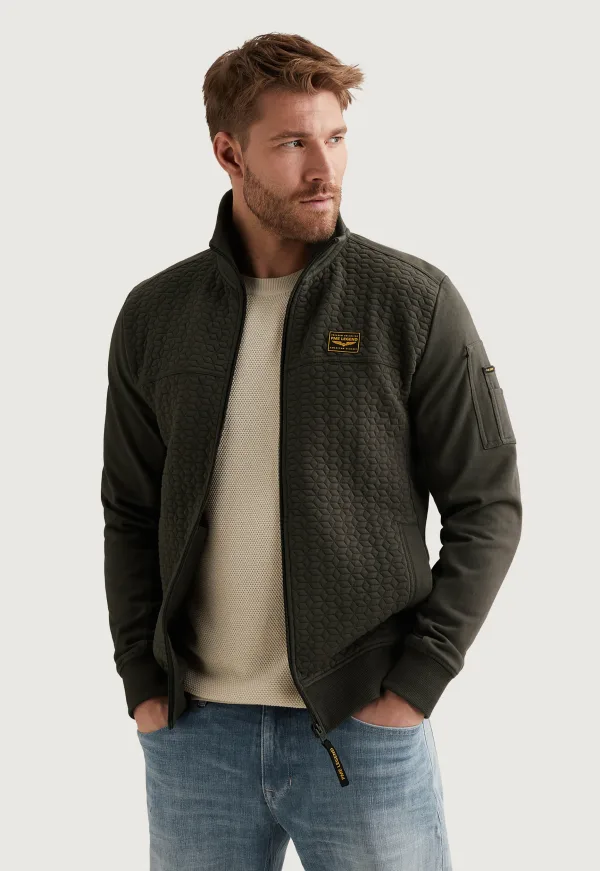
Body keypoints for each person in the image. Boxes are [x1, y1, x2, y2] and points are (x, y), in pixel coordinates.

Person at [101, 31, 522, 871]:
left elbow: (488, 506)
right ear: (229, 153)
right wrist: (143, 683)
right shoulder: (156, 314)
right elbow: (130, 510)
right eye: (293, 143)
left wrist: (414, 687)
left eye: (335, 137)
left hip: (361, 729)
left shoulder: (412, 302)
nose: (323, 167)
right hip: (195, 738)